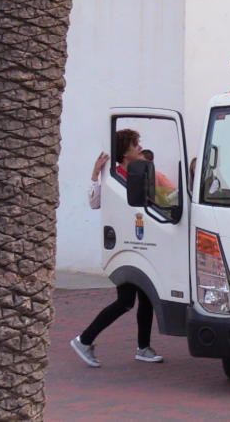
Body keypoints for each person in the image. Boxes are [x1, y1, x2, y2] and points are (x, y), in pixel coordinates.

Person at [75, 130, 164, 367]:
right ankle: (84, 339)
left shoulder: (136, 172)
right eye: (135, 145)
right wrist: (95, 173)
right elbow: (94, 202)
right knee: (125, 301)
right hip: (126, 246)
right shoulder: (114, 175)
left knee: (146, 298)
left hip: (140, 244)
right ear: (125, 152)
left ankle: (143, 348)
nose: (139, 148)